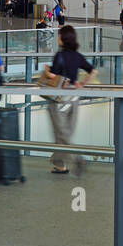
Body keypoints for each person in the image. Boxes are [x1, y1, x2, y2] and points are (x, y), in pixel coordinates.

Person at [42, 24, 97, 175]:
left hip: (59, 99)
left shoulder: (59, 56)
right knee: (65, 132)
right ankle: (59, 164)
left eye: (59, 35)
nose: (58, 38)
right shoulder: (77, 56)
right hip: (73, 97)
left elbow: (53, 77)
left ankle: (78, 159)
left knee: (61, 133)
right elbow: (93, 71)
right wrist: (82, 84)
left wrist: (47, 71)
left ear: (63, 39)